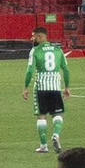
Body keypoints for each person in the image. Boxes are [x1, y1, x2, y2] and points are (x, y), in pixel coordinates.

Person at [23, 23, 72, 154]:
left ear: (39, 37)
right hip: (55, 87)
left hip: (41, 87)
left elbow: (29, 70)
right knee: (57, 114)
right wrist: (67, 87)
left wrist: (26, 87)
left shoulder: (35, 51)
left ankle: (44, 146)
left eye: (33, 36)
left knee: (41, 116)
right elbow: (66, 70)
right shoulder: (58, 50)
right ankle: (56, 134)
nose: (31, 39)